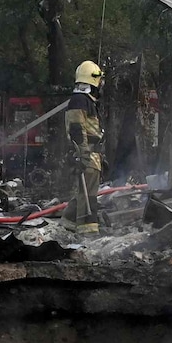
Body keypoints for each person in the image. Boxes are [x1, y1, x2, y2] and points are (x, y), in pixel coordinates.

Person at [64, 59, 105, 230]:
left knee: (85, 192)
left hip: (92, 154)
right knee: (88, 195)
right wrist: (83, 154)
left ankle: (68, 224)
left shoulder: (86, 101)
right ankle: (87, 230)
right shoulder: (80, 100)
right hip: (87, 155)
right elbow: (76, 129)